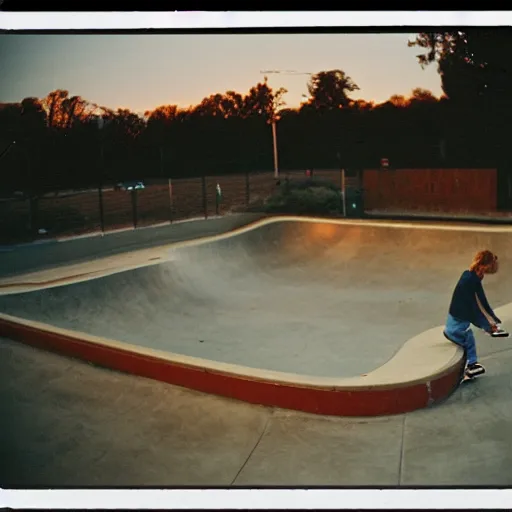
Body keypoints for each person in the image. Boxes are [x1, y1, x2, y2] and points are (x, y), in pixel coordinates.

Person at [443, 250, 501, 378]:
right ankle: (472, 365)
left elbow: (481, 300)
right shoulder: (469, 280)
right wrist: (487, 326)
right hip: (455, 328)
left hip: (456, 320)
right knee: (468, 337)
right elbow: (475, 308)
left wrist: (493, 320)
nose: (487, 273)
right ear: (483, 266)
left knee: (468, 333)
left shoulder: (471, 276)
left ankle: (469, 364)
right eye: (488, 269)